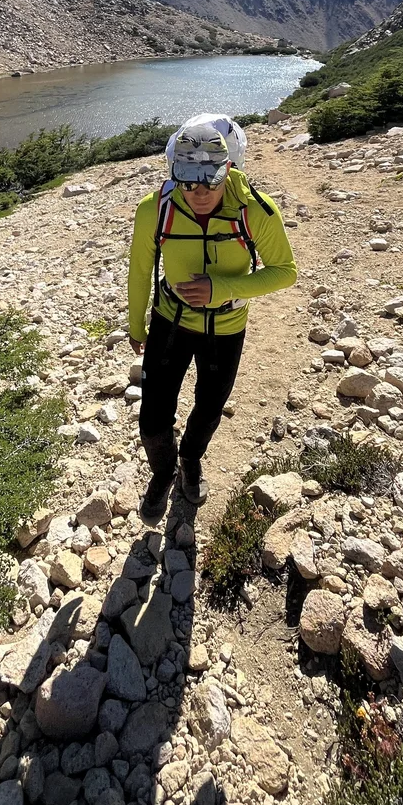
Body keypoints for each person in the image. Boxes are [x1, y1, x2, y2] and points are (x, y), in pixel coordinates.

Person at [126, 114, 298, 520]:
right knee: (152, 419)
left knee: (209, 405)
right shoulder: (156, 210)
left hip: (225, 326)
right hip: (170, 322)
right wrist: (136, 324)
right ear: (173, 172)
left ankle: (190, 461)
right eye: (186, 177)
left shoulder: (255, 210)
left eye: (211, 176)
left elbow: (285, 271)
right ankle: (164, 471)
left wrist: (220, 288)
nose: (198, 190)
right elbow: (138, 269)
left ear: (229, 169)